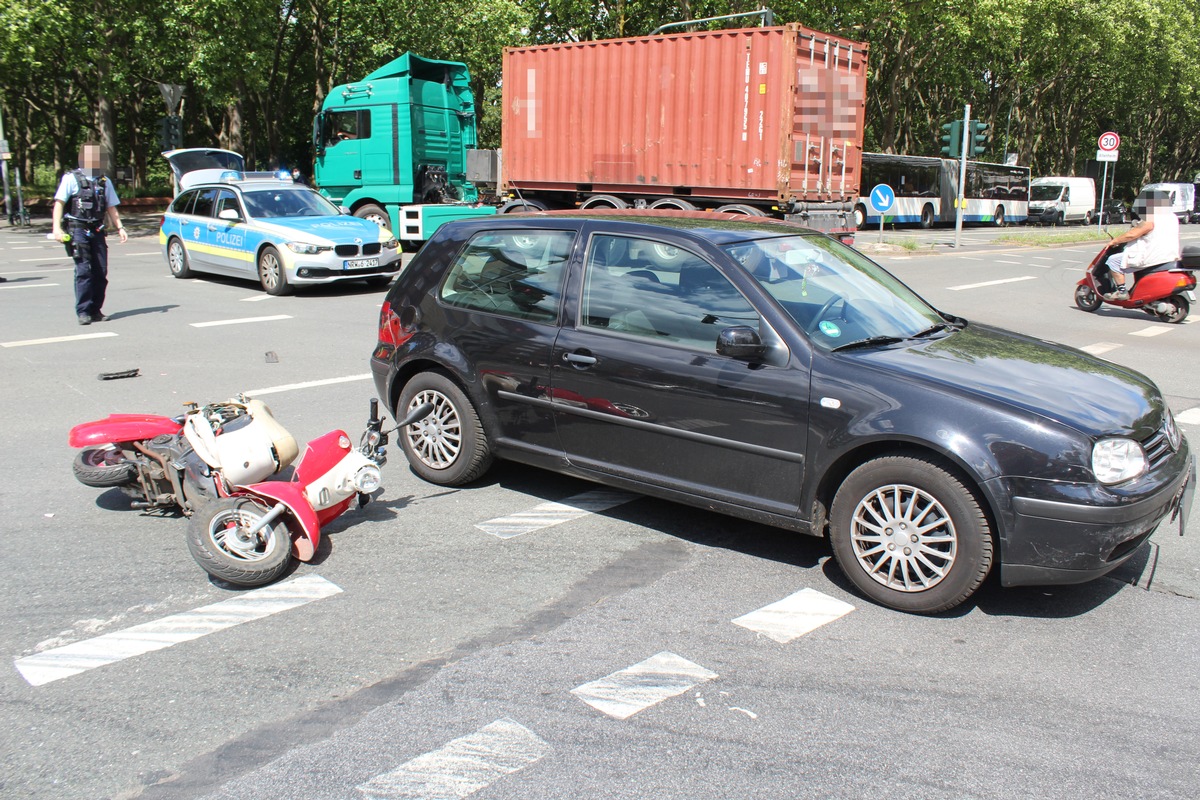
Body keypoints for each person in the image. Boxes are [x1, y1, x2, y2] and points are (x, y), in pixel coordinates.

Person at [51, 143, 128, 324]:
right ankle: (83, 311)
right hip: (78, 228)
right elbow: (59, 203)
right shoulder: (71, 178)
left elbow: (111, 206)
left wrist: (120, 227)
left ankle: (96, 310)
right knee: (84, 271)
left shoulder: (104, 181)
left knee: (101, 271)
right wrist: (56, 228)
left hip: (97, 229)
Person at [1103, 189, 1180, 299]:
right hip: (1169, 255)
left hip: (1152, 255)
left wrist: (1114, 241)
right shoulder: (1172, 217)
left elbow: (1132, 234)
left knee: (1113, 261)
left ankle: (1122, 291)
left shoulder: (1152, 218)